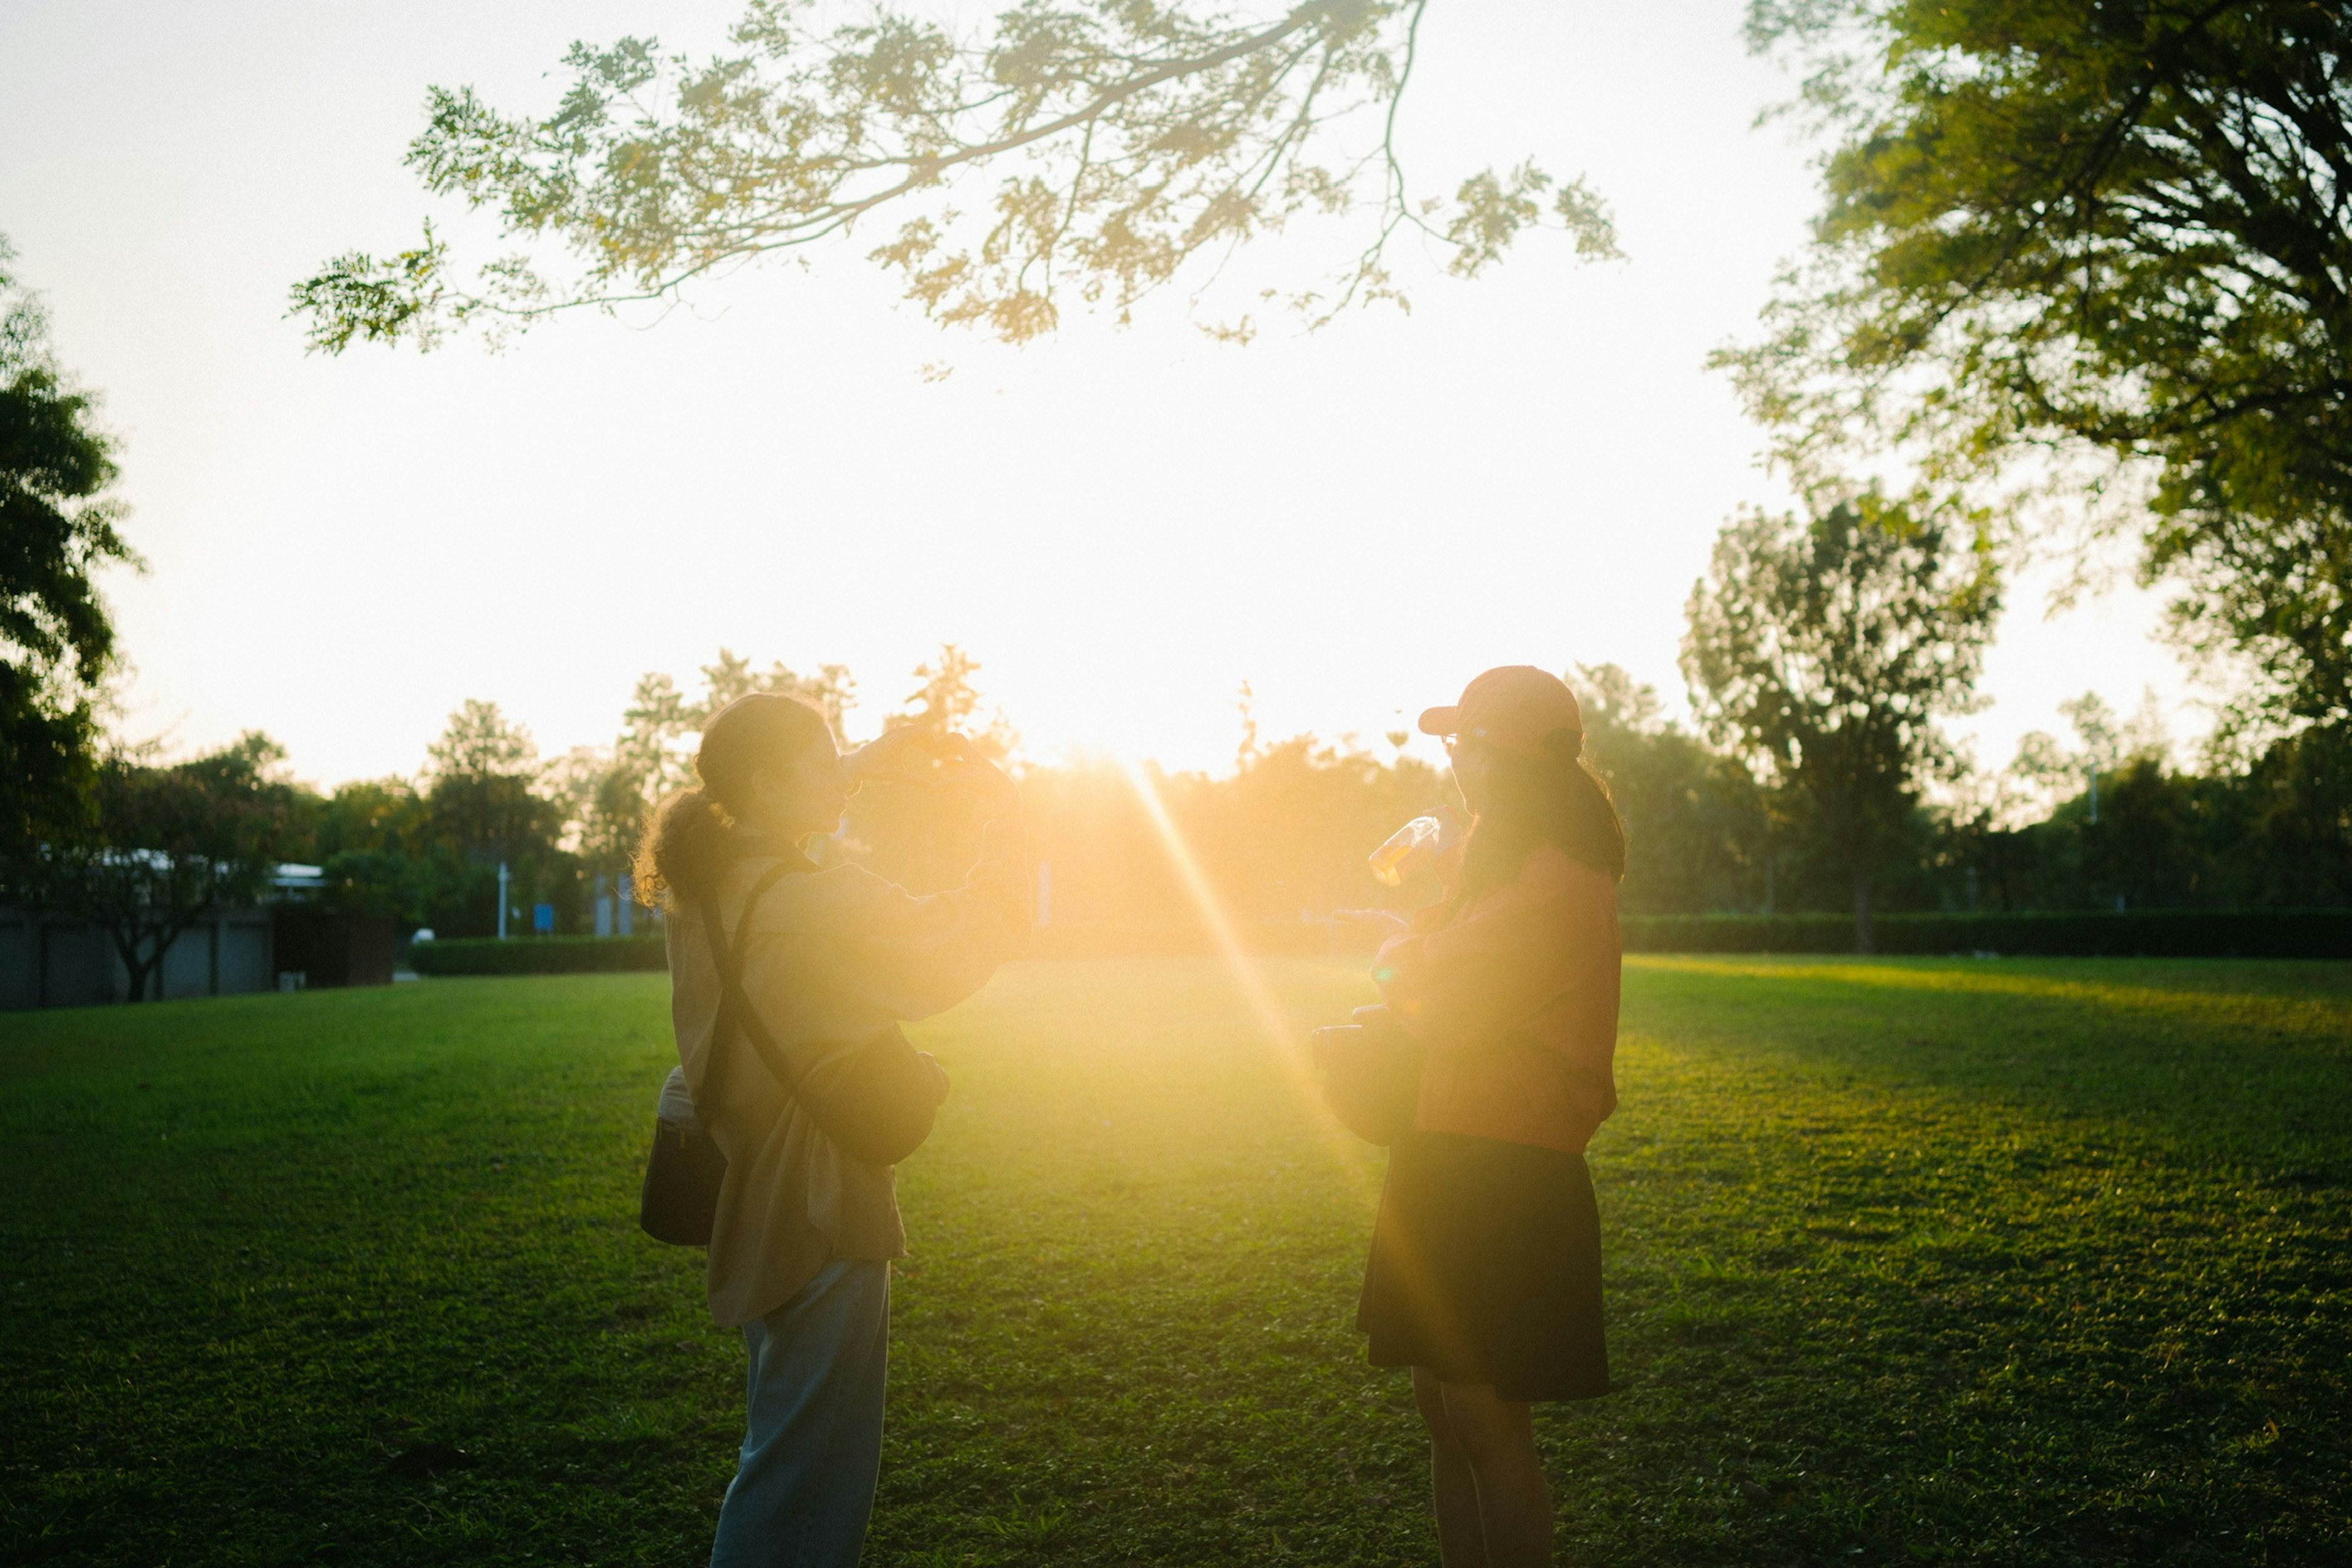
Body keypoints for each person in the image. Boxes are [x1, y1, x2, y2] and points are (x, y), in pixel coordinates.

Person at [635, 693, 1028, 1568]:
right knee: (804, 1486)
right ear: (772, 785)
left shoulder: (705, 880)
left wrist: (866, 757)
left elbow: (770, 789)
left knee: (782, 1452)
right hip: (818, 1208)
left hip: (746, 1193)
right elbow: (954, 943)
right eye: (825, 760)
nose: (840, 776)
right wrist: (1013, 828)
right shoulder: (815, 899)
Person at [1339, 665, 1624, 1568]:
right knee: (1441, 1404)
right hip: (1448, 1147)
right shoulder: (1498, 862)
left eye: (1464, 744)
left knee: (1486, 1418)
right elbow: (1437, 966)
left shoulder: (1557, 877)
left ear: (1503, 756)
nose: (1454, 760)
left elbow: (1437, 989)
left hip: (1504, 1167)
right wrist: (1424, 910)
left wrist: (1393, 943)